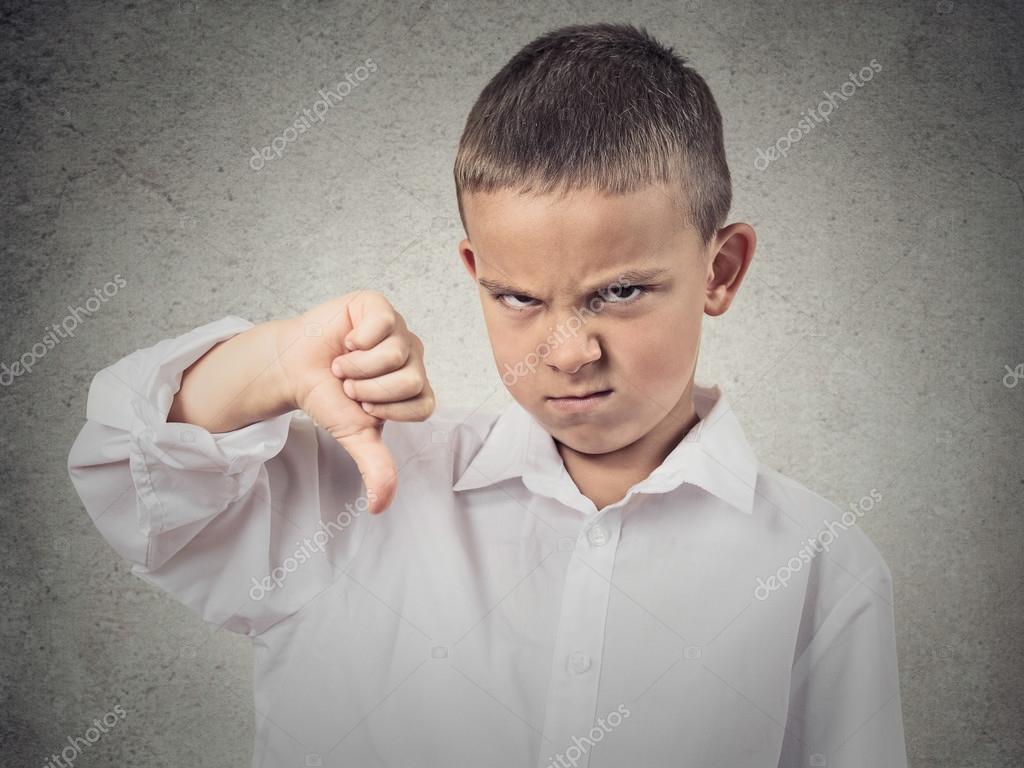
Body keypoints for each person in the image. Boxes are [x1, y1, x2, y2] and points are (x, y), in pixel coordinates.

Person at [67, 22, 908, 768]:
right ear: (476, 271)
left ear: (720, 271)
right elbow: (129, 476)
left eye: (620, 293)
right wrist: (275, 362)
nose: (568, 353)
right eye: (519, 297)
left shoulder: (820, 568)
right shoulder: (353, 494)